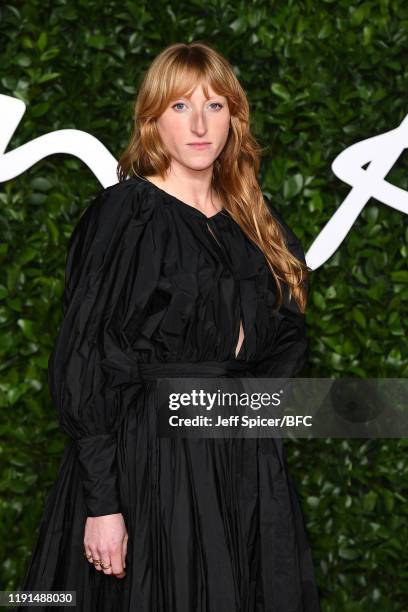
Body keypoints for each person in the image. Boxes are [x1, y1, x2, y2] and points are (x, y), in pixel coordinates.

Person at [19, 41, 321, 611]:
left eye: (214, 106)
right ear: (154, 119)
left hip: (241, 464)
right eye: (180, 107)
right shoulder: (126, 213)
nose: (200, 124)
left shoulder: (253, 217)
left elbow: (288, 336)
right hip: (150, 465)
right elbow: (87, 356)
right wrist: (103, 503)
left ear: (235, 115)